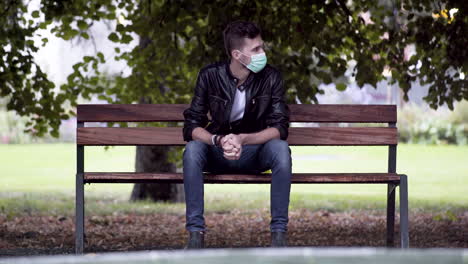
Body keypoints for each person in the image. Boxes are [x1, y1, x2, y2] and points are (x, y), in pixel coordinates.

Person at [182, 20, 291, 249]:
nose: (263, 53)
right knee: (192, 150)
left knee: (281, 149)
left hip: (255, 153)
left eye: (262, 46)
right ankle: (195, 236)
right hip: (218, 152)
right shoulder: (209, 76)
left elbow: (280, 128)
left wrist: (243, 139)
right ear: (237, 55)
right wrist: (219, 140)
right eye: (256, 49)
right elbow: (192, 126)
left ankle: (279, 236)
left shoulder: (271, 78)